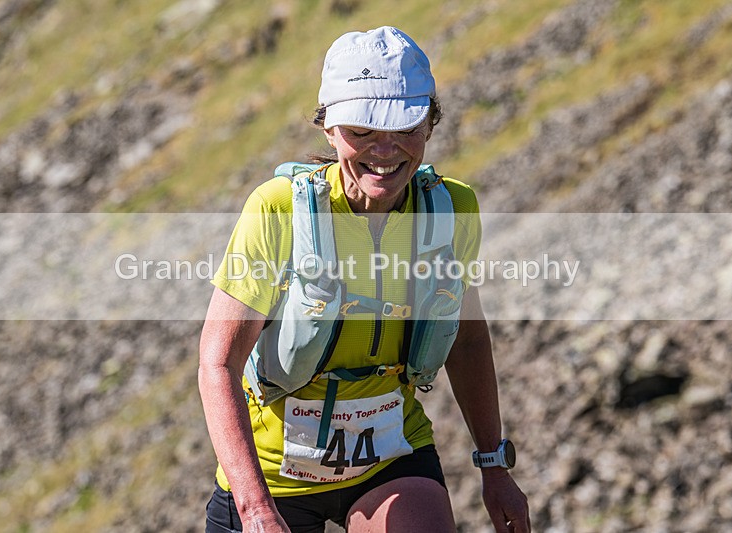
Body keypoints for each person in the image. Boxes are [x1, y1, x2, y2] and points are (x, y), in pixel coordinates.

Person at [199, 26, 530, 533]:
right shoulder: (277, 210)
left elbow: (465, 340)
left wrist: (494, 465)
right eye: (362, 131)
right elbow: (219, 362)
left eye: (405, 128)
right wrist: (254, 508)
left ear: (430, 125)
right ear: (328, 129)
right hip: (271, 478)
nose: (385, 150)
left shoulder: (451, 210)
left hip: (390, 456)